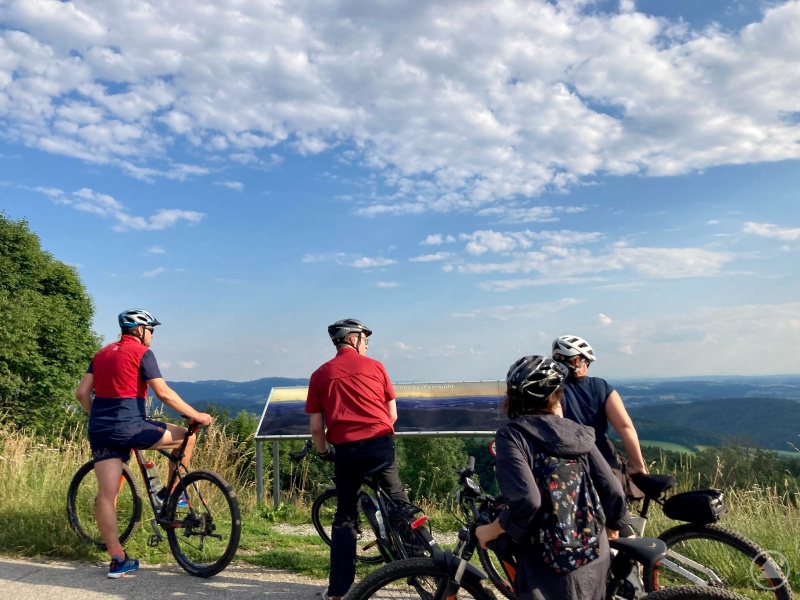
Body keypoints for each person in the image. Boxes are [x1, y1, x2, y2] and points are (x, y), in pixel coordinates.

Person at [476, 355, 628, 600]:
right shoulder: (580, 434)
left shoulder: (512, 436)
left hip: (547, 563)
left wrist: (493, 529)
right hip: (593, 552)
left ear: (513, 397)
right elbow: (613, 490)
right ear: (557, 395)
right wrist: (614, 525)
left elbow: (527, 501)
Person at [75, 309, 213, 578]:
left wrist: (100, 419)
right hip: (131, 425)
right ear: (139, 330)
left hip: (101, 430)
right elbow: (163, 393)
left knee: (106, 495)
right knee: (188, 436)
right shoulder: (142, 353)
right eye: (151, 329)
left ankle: (117, 560)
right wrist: (196, 415)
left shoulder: (101, 354)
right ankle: (171, 493)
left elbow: (81, 393)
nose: (152, 335)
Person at [305, 318, 409, 600]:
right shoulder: (376, 366)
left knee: (345, 519)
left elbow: (316, 428)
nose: (367, 344)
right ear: (353, 339)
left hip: (347, 452)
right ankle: (419, 565)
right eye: (365, 339)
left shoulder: (320, 374)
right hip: (380, 446)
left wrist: (325, 452)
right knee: (399, 502)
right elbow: (393, 415)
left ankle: (338, 592)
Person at [551, 335, 648, 491]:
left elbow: (556, 428)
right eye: (587, 362)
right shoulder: (601, 386)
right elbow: (625, 426)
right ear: (577, 361)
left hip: (569, 468)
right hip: (605, 463)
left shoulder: (552, 391)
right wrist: (637, 465)